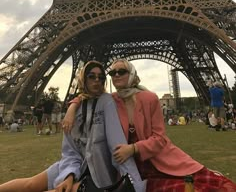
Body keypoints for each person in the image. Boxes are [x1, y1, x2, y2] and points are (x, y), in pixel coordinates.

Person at [63, 58, 236, 192]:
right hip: (135, 169)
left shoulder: (149, 98)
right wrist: (72, 107)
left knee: (209, 186)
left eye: (121, 71)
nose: (116, 75)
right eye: (112, 73)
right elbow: (88, 95)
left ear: (131, 74)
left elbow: (160, 139)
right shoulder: (111, 101)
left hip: (159, 161)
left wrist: (133, 149)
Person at [0, 61, 145, 192]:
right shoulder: (75, 108)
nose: (97, 81)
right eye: (91, 76)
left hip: (95, 172)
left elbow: (117, 145)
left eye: (101, 78)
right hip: (74, 164)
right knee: (30, 185)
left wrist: (136, 184)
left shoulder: (107, 102)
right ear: (83, 79)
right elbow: (70, 151)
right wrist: (69, 175)